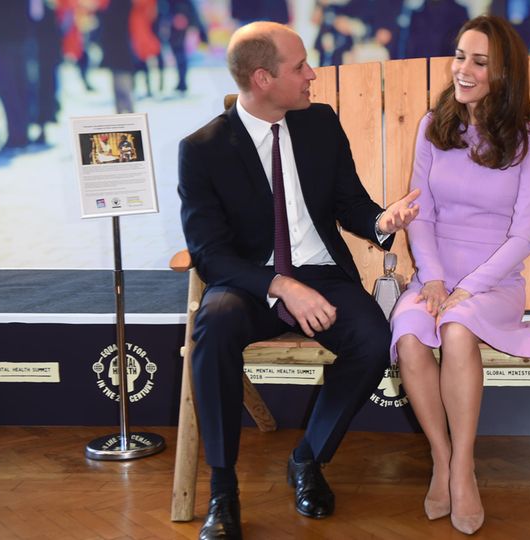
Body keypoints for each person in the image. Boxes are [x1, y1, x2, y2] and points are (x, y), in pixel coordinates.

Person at [177, 21, 420, 539]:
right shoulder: (203, 149)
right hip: (251, 282)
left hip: (323, 273)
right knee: (212, 325)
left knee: (375, 340)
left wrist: (382, 222)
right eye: (300, 67)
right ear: (263, 78)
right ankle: (223, 492)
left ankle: (308, 458)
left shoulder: (320, 124)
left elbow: (348, 202)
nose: (313, 74)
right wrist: (279, 285)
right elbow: (209, 254)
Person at [389, 15, 530, 536]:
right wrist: (436, 280)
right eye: (460, 55)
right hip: (434, 276)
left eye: (479, 62)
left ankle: (463, 469)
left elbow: (523, 237)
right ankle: (443, 459)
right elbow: (423, 214)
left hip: (494, 283)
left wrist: (466, 288)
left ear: (504, 74)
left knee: (458, 328)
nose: (463, 69)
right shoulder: (432, 127)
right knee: (413, 336)